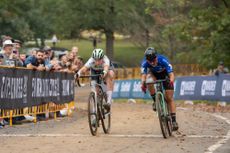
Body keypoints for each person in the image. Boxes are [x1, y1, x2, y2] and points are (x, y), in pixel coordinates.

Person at [140, 47, 179, 131]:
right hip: (154, 75)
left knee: (169, 98)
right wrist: (143, 84)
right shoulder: (144, 63)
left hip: (165, 75)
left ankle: (174, 121)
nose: (152, 63)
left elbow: (171, 74)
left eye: (153, 60)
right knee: (148, 81)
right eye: (150, 62)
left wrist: (171, 82)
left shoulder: (163, 60)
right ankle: (155, 101)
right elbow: (143, 74)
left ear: (156, 57)